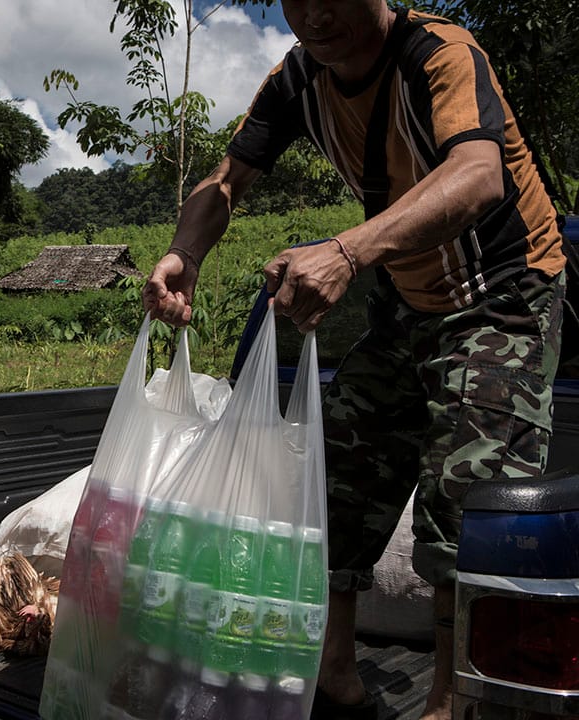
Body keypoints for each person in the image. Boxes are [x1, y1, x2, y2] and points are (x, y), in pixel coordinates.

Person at [143, 2, 565, 719]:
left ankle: (451, 701)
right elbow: (226, 182)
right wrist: (185, 251)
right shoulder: (297, 79)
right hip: (408, 299)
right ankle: (332, 670)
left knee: (467, 500)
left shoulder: (439, 54)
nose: (314, 15)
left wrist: (346, 251)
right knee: (332, 476)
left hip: (502, 294)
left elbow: (476, 176)